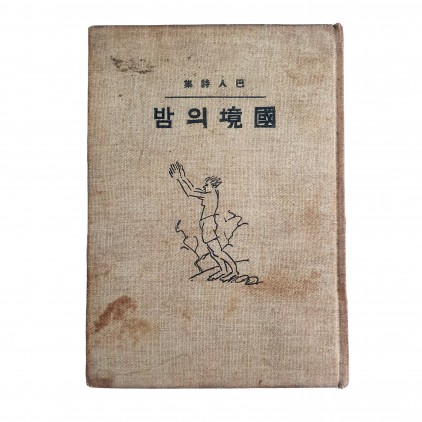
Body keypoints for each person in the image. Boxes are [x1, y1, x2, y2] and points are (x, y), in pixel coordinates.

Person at [169, 162, 239, 281]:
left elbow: (190, 192)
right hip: (207, 223)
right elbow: (193, 189)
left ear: (213, 186)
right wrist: (183, 177)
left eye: (207, 185)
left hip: (208, 224)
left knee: (218, 251)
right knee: (213, 251)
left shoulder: (209, 195)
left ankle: (233, 270)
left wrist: (180, 178)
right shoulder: (210, 194)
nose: (204, 187)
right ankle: (223, 269)